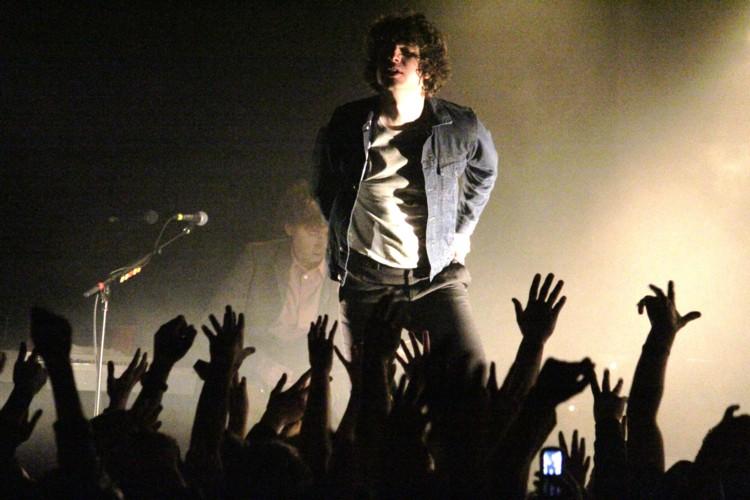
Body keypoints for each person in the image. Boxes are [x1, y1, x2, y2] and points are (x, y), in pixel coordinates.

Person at [313, 12, 498, 372]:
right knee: (371, 391)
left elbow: (486, 170)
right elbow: (325, 186)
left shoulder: (459, 125)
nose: (392, 56)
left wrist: (462, 230)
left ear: (427, 67)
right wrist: (342, 235)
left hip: (436, 278)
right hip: (368, 281)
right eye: (386, 49)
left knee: (472, 380)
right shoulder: (347, 123)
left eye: (406, 51)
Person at [210, 180, 339, 388]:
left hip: (317, 371)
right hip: (255, 368)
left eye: (327, 233)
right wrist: (259, 366)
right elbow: (218, 321)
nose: (322, 243)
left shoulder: (342, 272)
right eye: (313, 232)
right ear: (289, 227)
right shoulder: (257, 258)